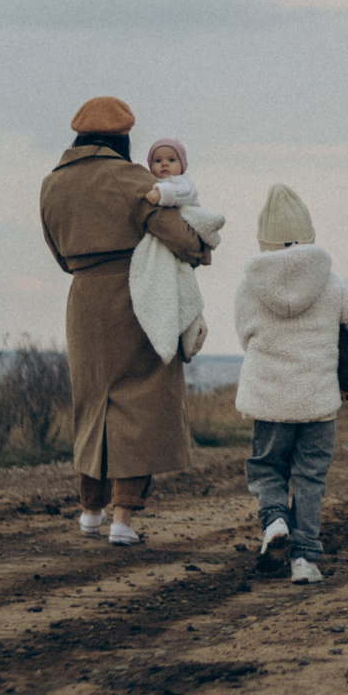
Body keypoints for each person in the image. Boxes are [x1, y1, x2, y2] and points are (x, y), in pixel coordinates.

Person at [39, 96, 212, 545]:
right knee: (139, 403)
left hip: (82, 299)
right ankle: (123, 521)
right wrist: (201, 249)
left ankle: (89, 513)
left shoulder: (51, 185)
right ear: (122, 137)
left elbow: (59, 255)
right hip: (136, 295)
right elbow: (174, 234)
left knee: (92, 402)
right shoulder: (132, 178)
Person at [234, 183, 348, 584]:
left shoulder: (250, 284)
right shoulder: (331, 282)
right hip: (318, 402)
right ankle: (305, 560)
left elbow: (245, 337)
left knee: (267, 469)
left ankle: (275, 522)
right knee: (309, 478)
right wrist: (339, 365)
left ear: (263, 239)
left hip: (269, 400)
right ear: (309, 235)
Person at [128, 137, 221, 364]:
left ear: (183, 165)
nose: (165, 165)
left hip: (184, 233)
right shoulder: (150, 184)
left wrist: (161, 195)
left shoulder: (182, 183)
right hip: (167, 248)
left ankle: (187, 335)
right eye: (158, 161)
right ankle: (174, 333)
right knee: (171, 286)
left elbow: (180, 194)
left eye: (171, 159)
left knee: (184, 288)